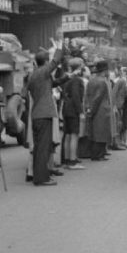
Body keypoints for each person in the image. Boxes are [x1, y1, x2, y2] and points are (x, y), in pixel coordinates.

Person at [27, 40, 64, 186]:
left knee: (39, 147)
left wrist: (69, 76)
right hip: (44, 114)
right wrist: (59, 48)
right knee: (43, 147)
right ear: (46, 61)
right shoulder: (43, 72)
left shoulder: (36, 75)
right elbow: (55, 61)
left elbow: (53, 84)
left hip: (37, 114)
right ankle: (41, 178)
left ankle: (39, 175)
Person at [85, 60, 114, 162]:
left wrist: (89, 109)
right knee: (101, 133)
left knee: (95, 132)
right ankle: (98, 155)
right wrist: (92, 110)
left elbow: (88, 95)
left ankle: (96, 154)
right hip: (101, 109)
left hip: (94, 108)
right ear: (105, 70)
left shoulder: (91, 80)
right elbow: (98, 98)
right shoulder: (103, 81)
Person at [61, 57, 86, 170]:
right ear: (79, 67)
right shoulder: (76, 80)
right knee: (74, 135)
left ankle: (66, 160)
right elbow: (76, 96)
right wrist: (80, 111)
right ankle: (73, 161)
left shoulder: (67, 78)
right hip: (73, 109)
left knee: (67, 135)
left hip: (66, 108)